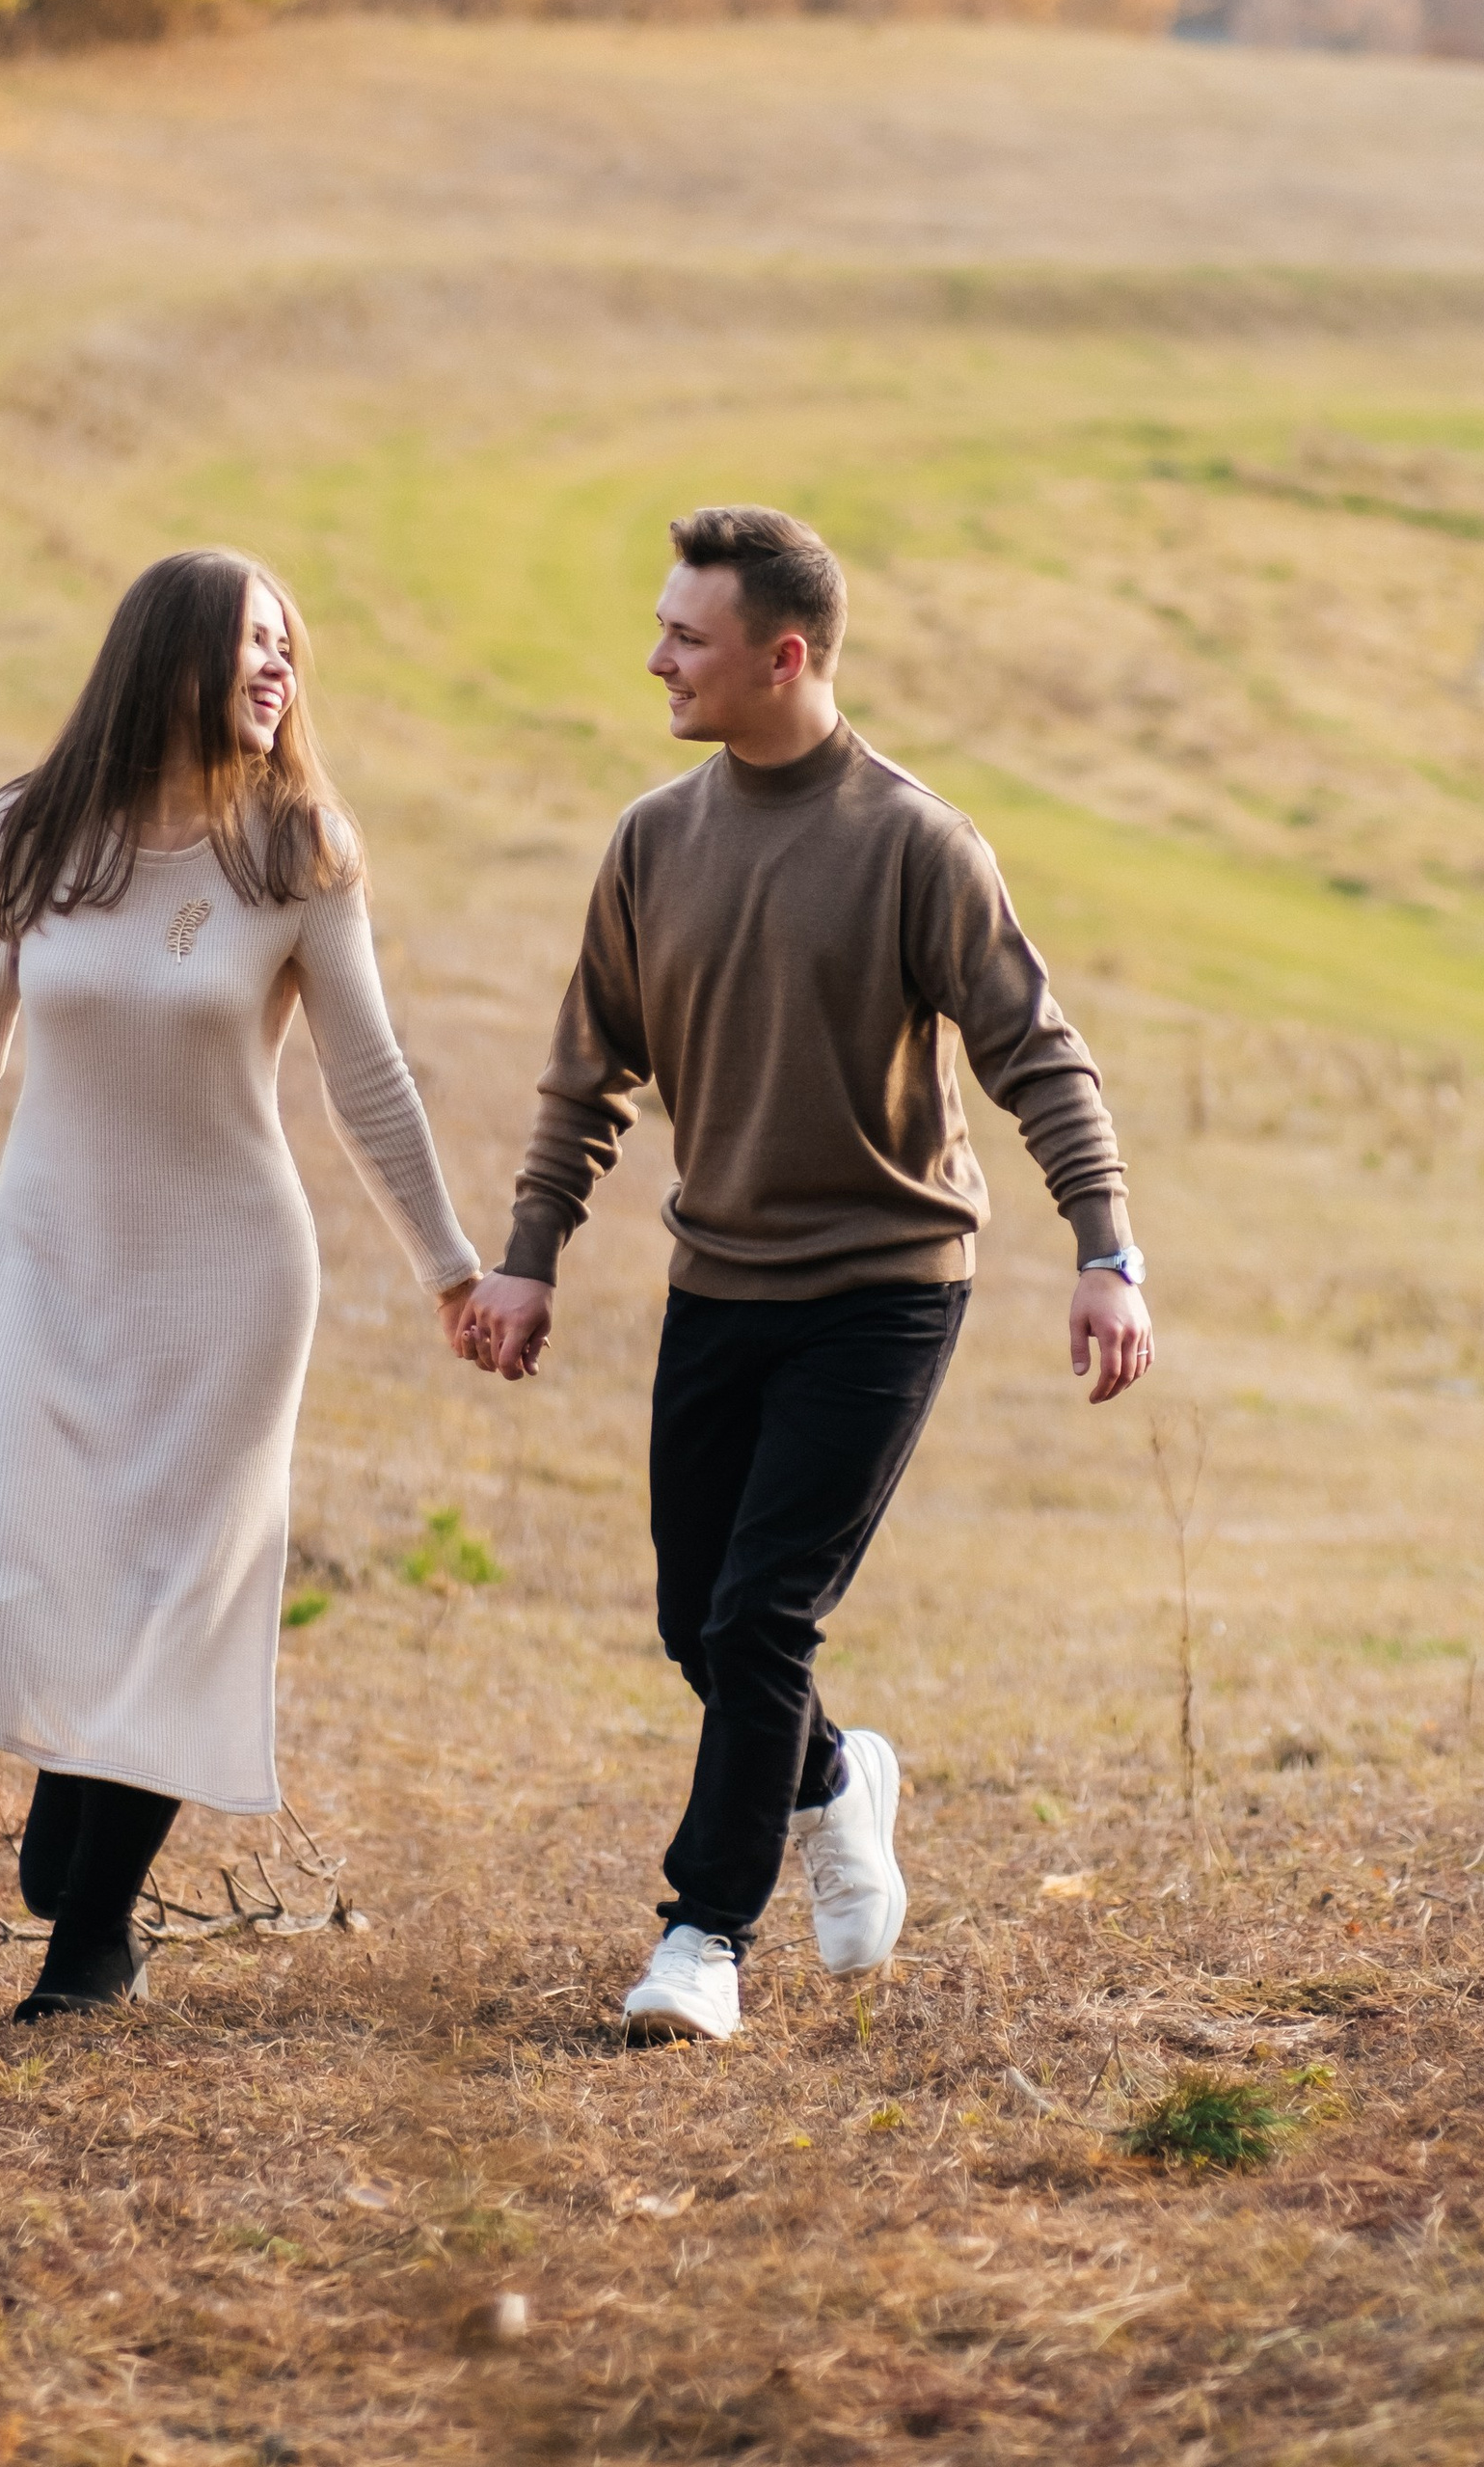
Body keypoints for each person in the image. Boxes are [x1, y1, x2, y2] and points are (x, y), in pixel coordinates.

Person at [455, 503, 1151, 2043]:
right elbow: (588, 1080)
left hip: (887, 1285)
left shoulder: (916, 843)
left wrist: (1106, 1250)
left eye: (685, 639)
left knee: (762, 1611)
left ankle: (703, 1935)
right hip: (722, 1277)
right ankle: (841, 1780)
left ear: (785, 655)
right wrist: (528, 1261)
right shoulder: (654, 839)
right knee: (696, 1621)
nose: (656, 661)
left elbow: (1040, 1055)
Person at [0, 550, 480, 2019]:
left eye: (287, 648)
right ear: (162, 656)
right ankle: (85, 1874)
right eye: (249, 642)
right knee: (11, 1561)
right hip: (52, 1271)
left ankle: (90, 1945)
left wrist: (448, 1264)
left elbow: (369, 1079)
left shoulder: (298, 849)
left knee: (175, 1596)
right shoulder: (32, 833)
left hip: (228, 1285)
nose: (276, 670)